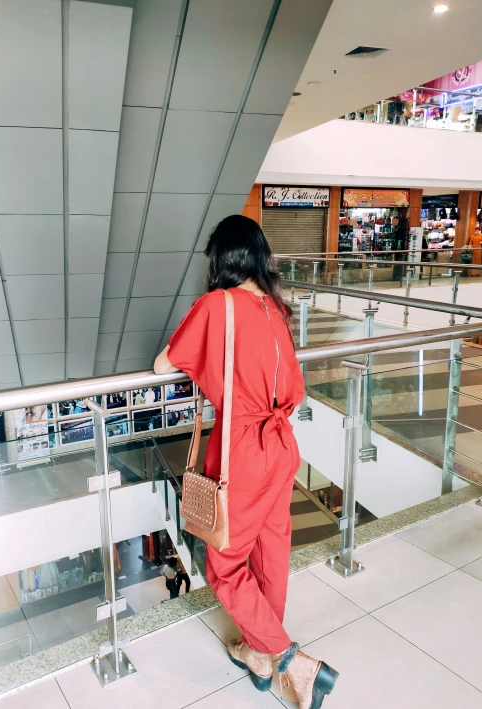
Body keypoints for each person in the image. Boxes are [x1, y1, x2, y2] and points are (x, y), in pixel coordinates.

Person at [154, 215, 338, 706]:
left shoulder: (219, 305)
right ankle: (257, 653)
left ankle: (288, 658)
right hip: (281, 443)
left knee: (225, 563)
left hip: (244, 449)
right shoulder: (275, 309)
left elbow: (163, 364)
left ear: (222, 260)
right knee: (270, 553)